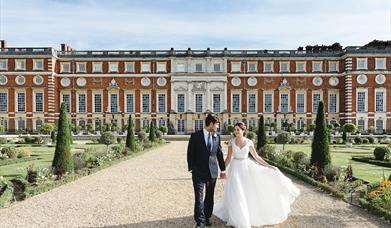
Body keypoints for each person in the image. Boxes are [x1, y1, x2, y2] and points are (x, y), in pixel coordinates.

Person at [213, 122, 300, 228]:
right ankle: (236, 218)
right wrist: (222, 170)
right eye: (235, 130)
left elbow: (257, 157)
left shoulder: (249, 142)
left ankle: (246, 214)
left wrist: (269, 166)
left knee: (246, 191)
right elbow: (228, 158)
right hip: (235, 168)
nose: (236, 132)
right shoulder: (231, 142)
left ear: (243, 131)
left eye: (238, 130)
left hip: (246, 168)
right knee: (235, 191)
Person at [187, 114, 226, 228]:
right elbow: (190, 153)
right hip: (198, 172)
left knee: (209, 197)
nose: (218, 127)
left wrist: (223, 169)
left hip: (212, 172)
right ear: (211, 124)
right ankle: (200, 221)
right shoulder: (195, 136)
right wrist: (192, 168)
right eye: (217, 124)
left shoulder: (216, 137)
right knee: (198, 197)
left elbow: (219, 154)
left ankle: (207, 217)